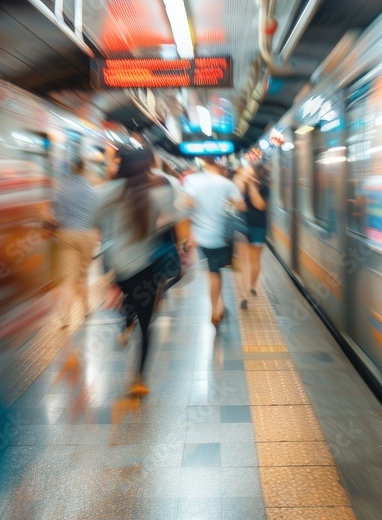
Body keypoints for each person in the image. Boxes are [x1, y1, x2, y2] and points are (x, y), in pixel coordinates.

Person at [95, 148, 187, 396]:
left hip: (119, 266)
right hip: (147, 265)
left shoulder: (107, 191)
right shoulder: (158, 191)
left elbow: (93, 216)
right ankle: (138, 379)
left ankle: (124, 321)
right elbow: (176, 217)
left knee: (127, 299)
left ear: (122, 165)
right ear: (147, 165)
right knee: (148, 322)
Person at [183, 157, 245, 326]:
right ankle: (216, 308)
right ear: (219, 165)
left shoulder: (191, 180)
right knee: (215, 272)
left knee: (212, 272)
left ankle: (217, 306)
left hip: (201, 236)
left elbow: (187, 205)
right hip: (221, 236)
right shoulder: (226, 183)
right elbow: (241, 207)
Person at [52, 156, 99, 328]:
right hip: (87, 234)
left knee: (67, 277)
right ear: (85, 171)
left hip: (66, 234)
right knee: (83, 274)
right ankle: (86, 309)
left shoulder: (63, 189)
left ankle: (64, 316)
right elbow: (97, 215)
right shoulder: (92, 191)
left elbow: (56, 214)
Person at [236, 164, 270, 309]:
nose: (246, 173)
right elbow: (238, 205)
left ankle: (251, 286)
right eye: (244, 171)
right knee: (243, 261)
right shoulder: (238, 187)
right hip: (240, 227)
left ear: (256, 174)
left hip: (258, 227)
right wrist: (240, 182)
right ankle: (244, 292)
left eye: (248, 171)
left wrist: (251, 186)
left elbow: (260, 205)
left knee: (254, 259)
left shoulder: (264, 187)